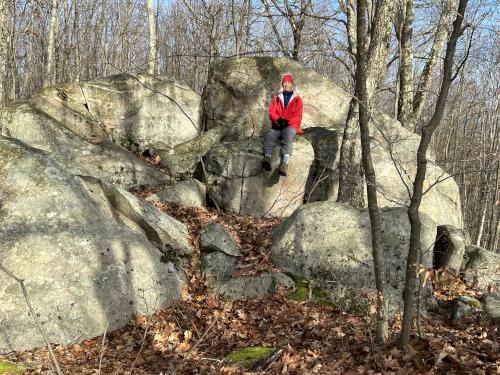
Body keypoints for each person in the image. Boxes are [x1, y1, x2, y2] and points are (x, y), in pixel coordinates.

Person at [261, 73, 303, 176]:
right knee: (270, 134)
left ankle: (285, 164)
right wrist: (278, 120)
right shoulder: (277, 98)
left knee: (288, 137)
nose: (286, 84)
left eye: (288, 82)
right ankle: (267, 158)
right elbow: (272, 112)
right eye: (284, 82)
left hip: (290, 125)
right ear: (282, 84)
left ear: (291, 84)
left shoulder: (297, 99)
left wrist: (287, 122)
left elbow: (298, 116)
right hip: (278, 125)